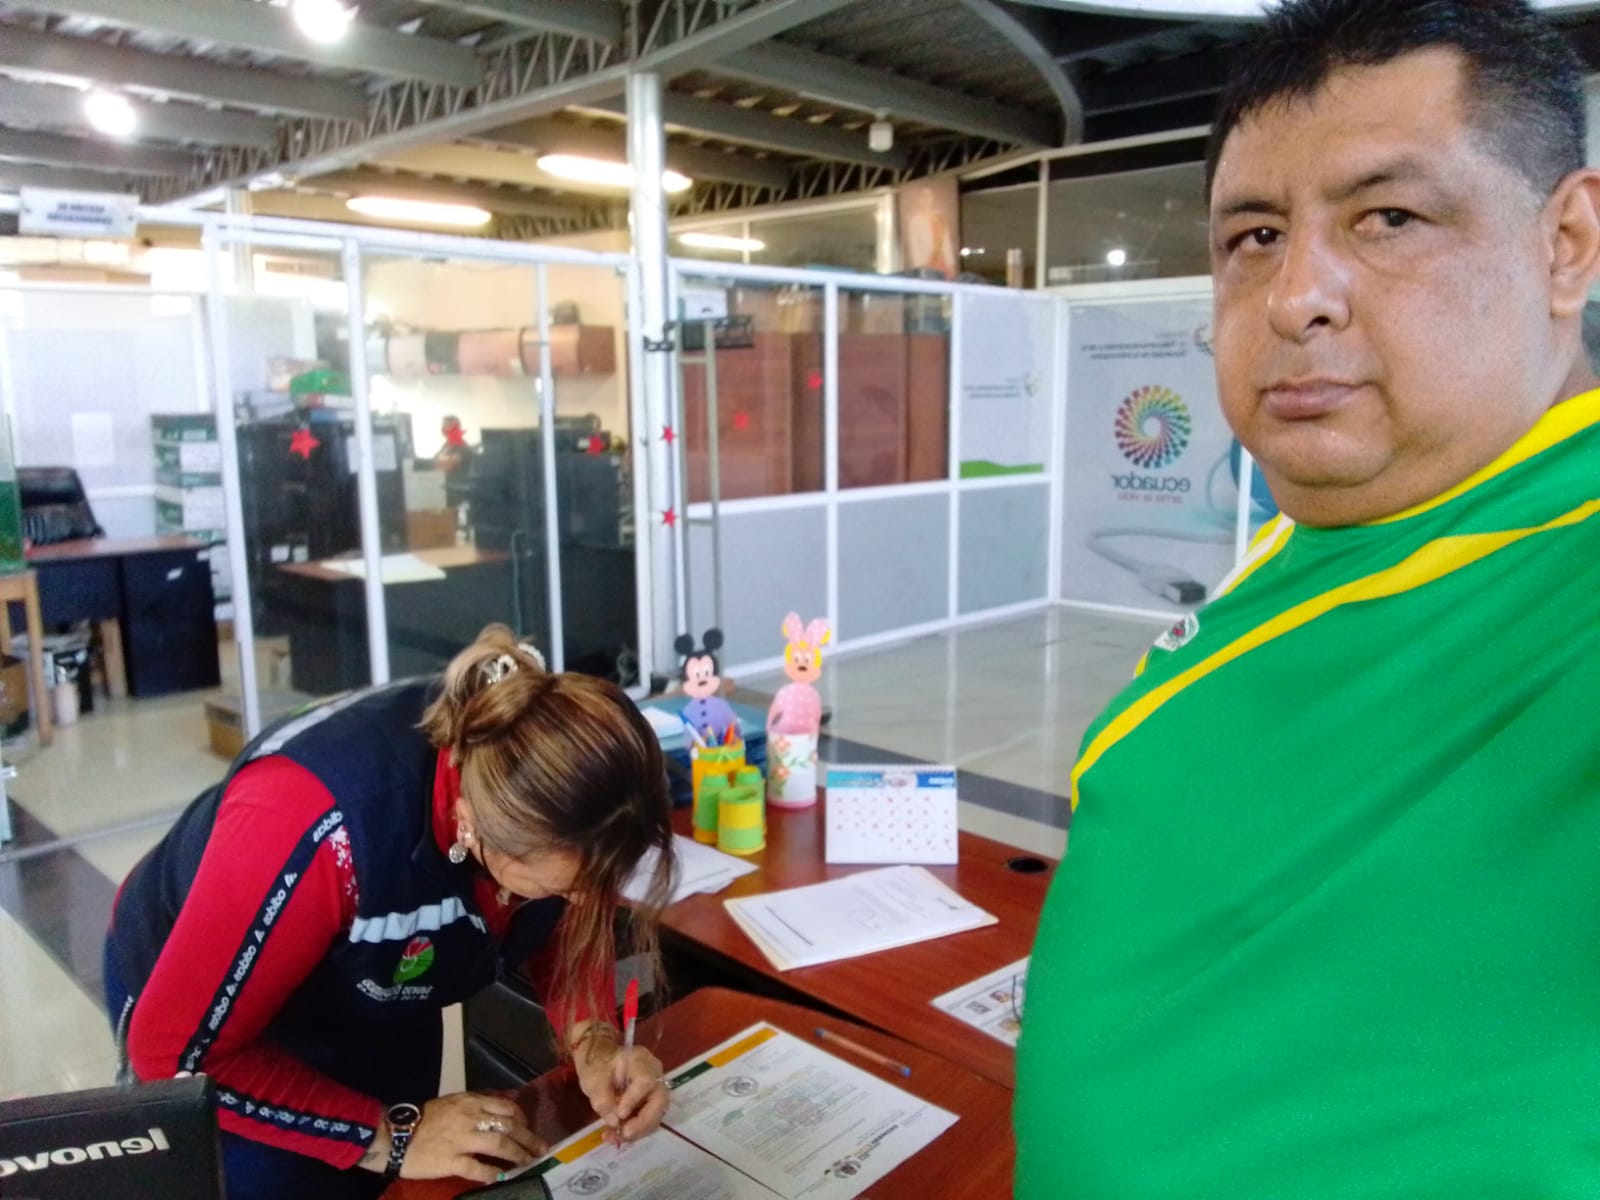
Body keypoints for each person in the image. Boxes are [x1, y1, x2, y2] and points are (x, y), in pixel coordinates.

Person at [1015, 2, 1600, 1196]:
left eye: (1389, 218)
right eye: (1254, 236)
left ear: (1567, 243)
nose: (1294, 297)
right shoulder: (1329, 526)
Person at [103, 625, 676, 1198]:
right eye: (564, 887)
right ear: (473, 828)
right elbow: (174, 1055)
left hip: (377, 983)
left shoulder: (541, 789)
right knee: (277, 1182)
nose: (587, 904)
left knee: (394, 1179)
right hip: (220, 1016)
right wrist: (391, 1135)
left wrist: (593, 1037)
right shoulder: (312, 822)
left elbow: (558, 924)